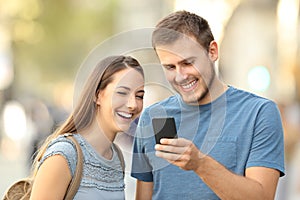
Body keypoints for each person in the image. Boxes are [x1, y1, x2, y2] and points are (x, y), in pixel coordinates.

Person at [131, 10, 285, 200]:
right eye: (170, 67)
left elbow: (262, 197)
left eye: (187, 63)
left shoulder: (259, 113)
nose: (180, 76)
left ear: (212, 51)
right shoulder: (151, 117)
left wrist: (200, 164)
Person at [30, 55, 145, 199]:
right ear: (97, 95)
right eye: (121, 92)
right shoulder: (64, 155)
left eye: (139, 96)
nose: (133, 104)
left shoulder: (116, 156)